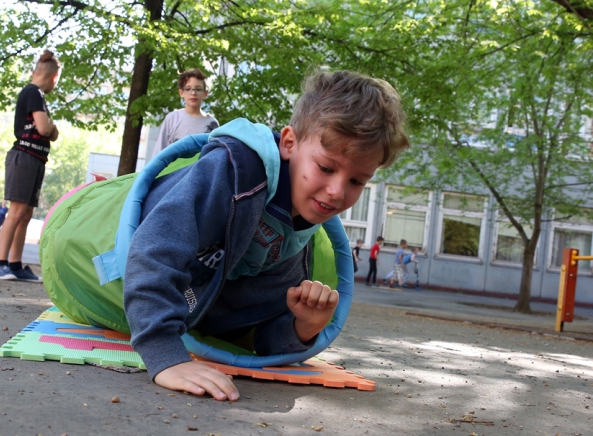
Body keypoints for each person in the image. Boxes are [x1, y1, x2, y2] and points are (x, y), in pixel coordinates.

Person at [43, 70, 409, 401]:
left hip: (191, 291)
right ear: (289, 143)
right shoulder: (235, 173)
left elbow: (252, 336)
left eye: (357, 181)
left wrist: (304, 326)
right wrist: (166, 356)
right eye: (326, 168)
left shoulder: (300, 236)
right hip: (83, 239)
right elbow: (154, 250)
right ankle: (77, 194)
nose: (336, 191)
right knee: (150, 240)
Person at [0, 49, 61, 283]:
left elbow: (51, 133)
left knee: (26, 214)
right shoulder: (33, 93)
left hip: (36, 158)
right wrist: (51, 127)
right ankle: (2, 264)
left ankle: (15, 263)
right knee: (17, 211)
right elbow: (46, 130)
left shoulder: (38, 96)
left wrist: (51, 129)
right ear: (54, 77)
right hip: (24, 156)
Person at [150, 68, 219, 157]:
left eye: (198, 89)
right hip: (174, 170)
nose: (193, 93)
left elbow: (215, 155)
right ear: (181, 93)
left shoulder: (212, 123)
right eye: (188, 89)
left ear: (205, 93)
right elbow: (159, 153)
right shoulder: (172, 119)